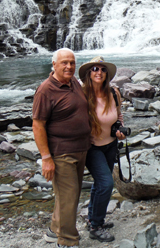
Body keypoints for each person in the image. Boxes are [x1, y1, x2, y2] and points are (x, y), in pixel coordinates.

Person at [33, 48, 91, 248]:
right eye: (64, 63)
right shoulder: (45, 90)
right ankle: (67, 241)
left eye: (72, 63)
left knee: (68, 195)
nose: (69, 66)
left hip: (81, 149)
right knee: (69, 197)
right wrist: (46, 157)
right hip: (61, 152)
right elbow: (38, 124)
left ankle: (54, 230)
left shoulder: (74, 82)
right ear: (54, 65)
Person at [78, 56, 127, 243]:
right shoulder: (82, 95)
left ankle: (93, 219)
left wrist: (120, 129)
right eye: (95, 69)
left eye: (102, 69)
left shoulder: (113, 93)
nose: (99, 72)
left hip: (110, 144)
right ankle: (96, 226)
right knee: (106, 184)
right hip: (92, 148)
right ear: (89, 73)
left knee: (100, 184)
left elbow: (119, 115)